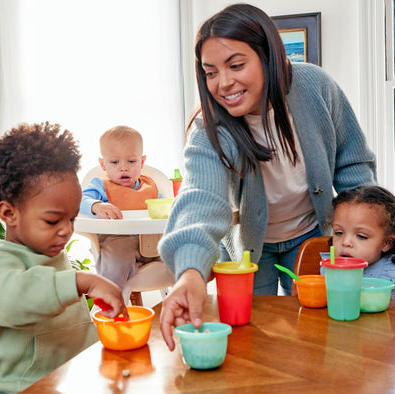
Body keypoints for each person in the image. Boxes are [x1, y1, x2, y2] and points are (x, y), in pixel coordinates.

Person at [158, 3, 376, 350]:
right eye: (210, 72)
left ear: (268, 56)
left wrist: (367, 233)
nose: (223, 83)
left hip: (309, 235)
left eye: (236, 65)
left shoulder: (315, 86)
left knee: (317, 334)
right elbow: (201, 200)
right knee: (253, 336)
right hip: (248, 251)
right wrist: (191, 273)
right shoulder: (209, 130)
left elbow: (352, 167)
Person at [0, 122, 128, 394]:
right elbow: (13, 299)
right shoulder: (2, 262)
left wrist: (102, 328)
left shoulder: (54, 254)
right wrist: (81, 281)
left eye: (71, 219)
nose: (66, 230)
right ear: (9, 213)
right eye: (52, 220)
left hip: (67, 386)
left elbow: (66, 329)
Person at [80, 125, 162, 290]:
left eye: (131, 161)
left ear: (142, 162)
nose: (123, 167)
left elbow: (164, 211)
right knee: (115, 261)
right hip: (117, 241)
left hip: (152, 244)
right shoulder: (100, 185)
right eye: (114, 162)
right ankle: (110, 298)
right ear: (103, 164)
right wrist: (96, 205)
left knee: (182, 251)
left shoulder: (151, 187)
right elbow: (78, 199)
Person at [321, 186, 395, 293]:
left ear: (387, 243)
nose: (345, 242)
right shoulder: (328, 269)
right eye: (339, 233)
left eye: (361, 236)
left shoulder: (391, 273)